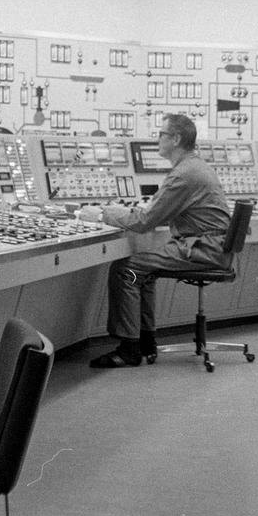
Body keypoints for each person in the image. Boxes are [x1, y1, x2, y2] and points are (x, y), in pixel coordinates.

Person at [79, 113, 230, 368]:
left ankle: (129, 349)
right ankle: (145, 340)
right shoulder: (192, 167)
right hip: (207, 246)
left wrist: (103, 213)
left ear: (176, 139)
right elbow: (155, 215)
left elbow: (145, 221)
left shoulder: (184, 174)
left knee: (127, 269)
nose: (157, 139)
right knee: (143, 271)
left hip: (204, 250)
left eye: (161, 134)